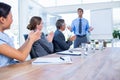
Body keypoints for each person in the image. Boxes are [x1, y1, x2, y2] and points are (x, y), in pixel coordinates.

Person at [0, 2, 41, 67]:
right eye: (11, 18)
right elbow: (22, 57)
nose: (12, 21)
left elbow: (17, 53)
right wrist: (31, 40)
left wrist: (28, 39)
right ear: (2, 19)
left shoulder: (4, 36)